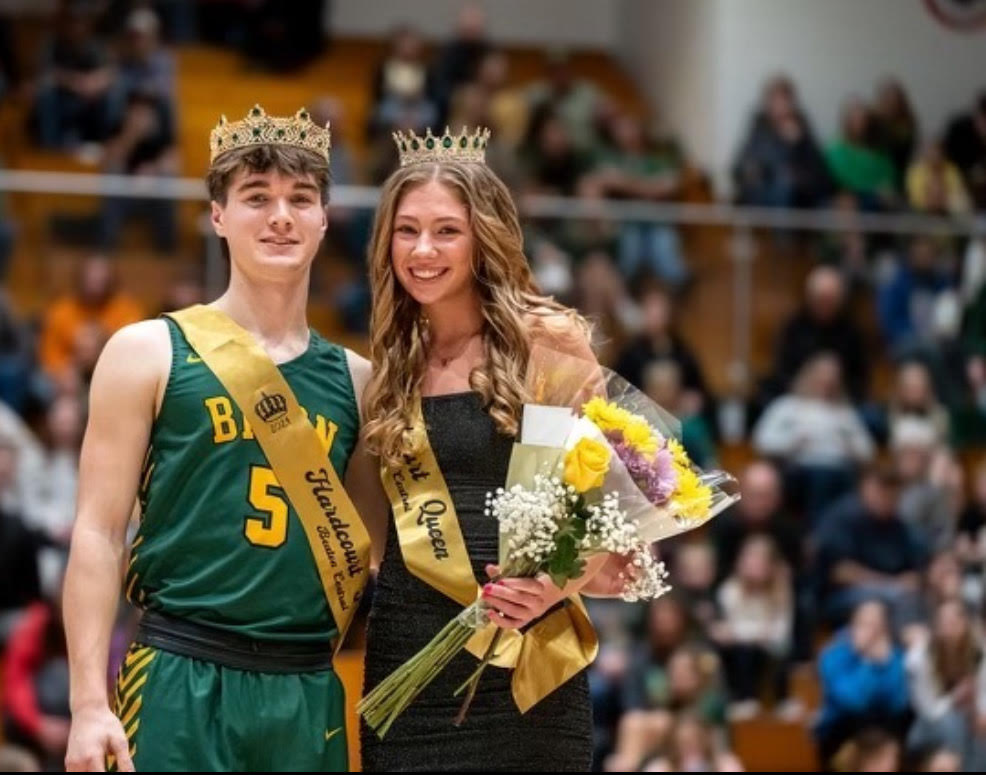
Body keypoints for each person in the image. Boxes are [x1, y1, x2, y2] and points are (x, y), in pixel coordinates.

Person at [62, 105, 375, 772]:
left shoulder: (359, 382)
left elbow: (376, 555)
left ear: (324, 218)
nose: (280, 216)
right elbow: (95, 532)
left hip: (307, 687)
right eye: (256, 198)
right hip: (180, 673)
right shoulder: (148, 351)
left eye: (300, 199)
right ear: (218, 216)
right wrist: (88, 703)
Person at [358, 127, 633, 771]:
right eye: (407, 230)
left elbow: (614, 522)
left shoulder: (550, 341)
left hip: (529, 665)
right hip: (408, 662)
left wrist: (555, 586)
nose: (423, 250)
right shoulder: (389, 364)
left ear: (485, 233)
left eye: (447, 230)